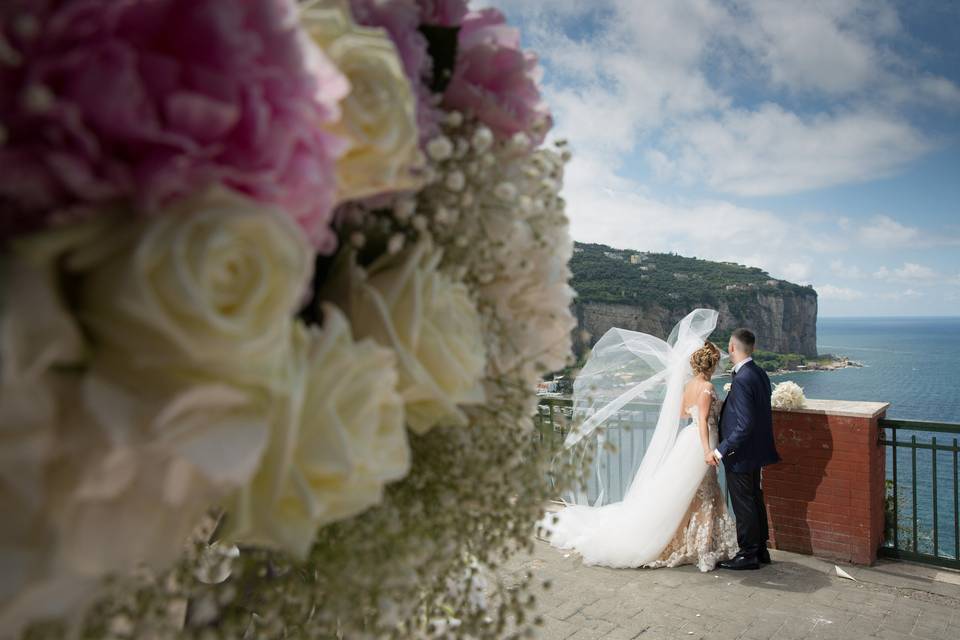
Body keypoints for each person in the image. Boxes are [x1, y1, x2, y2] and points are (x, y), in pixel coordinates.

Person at [542, 310, 737, 571]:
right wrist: (706, 449)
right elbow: (702, 421)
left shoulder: (689, 387)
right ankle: (704, 544)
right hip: (700, 443)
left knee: (693, 493)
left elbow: (683, 414)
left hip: (687, 439)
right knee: (705, 491)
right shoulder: (706, 388)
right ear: (710, 365)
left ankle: (695, 539)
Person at [711, 328, 781, 570]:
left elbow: (744, 424)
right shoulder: (759, 373)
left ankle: (748, 553)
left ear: (732, 347)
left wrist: (721, 449)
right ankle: (761, 550)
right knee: (754, 498)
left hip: (740, 452)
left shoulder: (742, 379)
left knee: (744, 503)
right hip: (756, 450)